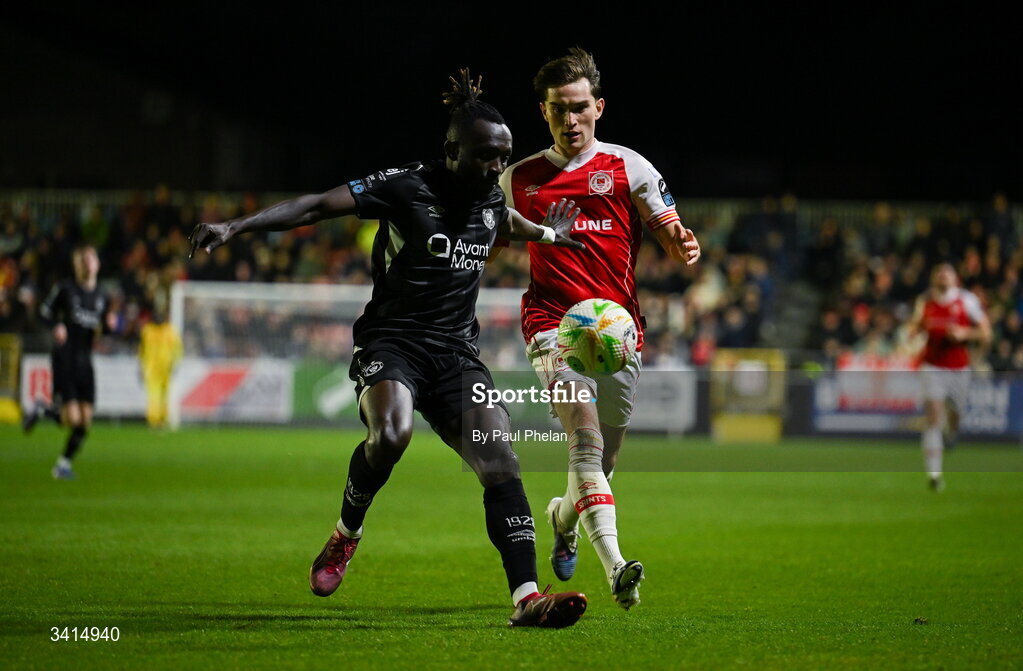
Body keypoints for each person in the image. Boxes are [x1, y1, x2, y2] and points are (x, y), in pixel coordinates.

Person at [189, 70, 590, 628]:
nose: (497, 169)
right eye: (485, 158)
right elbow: (314, 206)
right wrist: (237, 226)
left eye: (504, 158)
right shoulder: (406, 186)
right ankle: (345, 534)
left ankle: (526, 597)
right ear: (451, 151)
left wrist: (551, 235)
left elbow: (509, 223)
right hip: (393, 342)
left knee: (502, 460)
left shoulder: (489, 203)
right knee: (392, 434)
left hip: (455, 355)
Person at [497, 48, 701, 609]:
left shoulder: (628, 166)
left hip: (618, 332)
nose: (571, 121)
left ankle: (562, 519)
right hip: (553, 329)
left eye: (580, 108)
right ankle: (617, 566)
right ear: (543, 111)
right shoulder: (518, 178)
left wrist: (680, 240)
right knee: (583, 437)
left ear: (599, 107)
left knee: (599, 464)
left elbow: (666, 224)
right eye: (559, 109)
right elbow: (485, 240)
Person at [23, 244, 116, 480]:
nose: (88, 263)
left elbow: (104, 328)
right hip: (65, 358)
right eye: (84, 259)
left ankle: (62, 464)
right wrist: (57, 325)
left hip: (86, 361)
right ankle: (45, 409)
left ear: (97, 264)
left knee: (85, 420)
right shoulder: (65, 289)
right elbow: (44, 312)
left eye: (91, 258)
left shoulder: (102, 295)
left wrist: (110, 327)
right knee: (73, 418)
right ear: (78, 264)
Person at [908, 263, 991, 491]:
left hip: (958, 368)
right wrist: (914, 332)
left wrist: (966, 333)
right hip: (932, 366)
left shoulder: (967, 300)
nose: (943, 276)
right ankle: (934, 475)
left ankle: (953, 434)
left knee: (956, 412)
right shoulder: (924, 301)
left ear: (955, 279)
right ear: (934, 278)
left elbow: (986, 332)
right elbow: (914, 326)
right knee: (934, 416)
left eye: (947, 273)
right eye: (939, 272)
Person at [138, 308, 182, 428]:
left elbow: (177, 349)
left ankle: (163, 418)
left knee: (164, 394)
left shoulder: (170, 331)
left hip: (166, 367)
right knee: (153, 394)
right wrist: (141, 367)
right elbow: (141, 350)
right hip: (151, 368)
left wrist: (176, 363)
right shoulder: (147, 331)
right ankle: (153, 420)